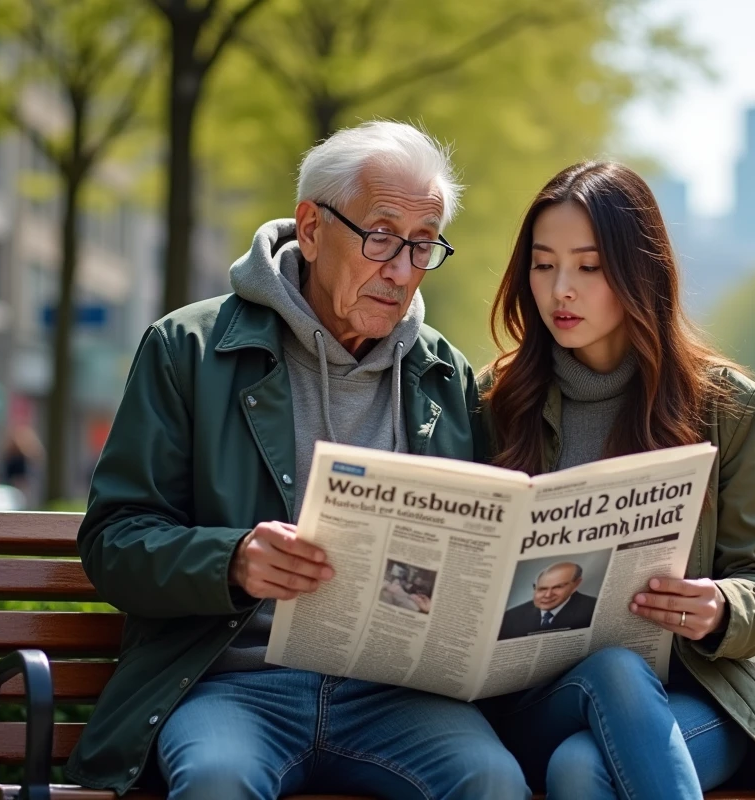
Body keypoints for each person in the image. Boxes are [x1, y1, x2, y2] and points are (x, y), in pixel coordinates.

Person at [67, 121, 529, 800]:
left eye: (423, 246)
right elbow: (113, 543)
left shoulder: (443, 376)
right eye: (380, 236)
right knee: (217, 782)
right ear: (311, 229)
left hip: (396, 696)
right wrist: (232, 560)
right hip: (231, 683)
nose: (400, 270)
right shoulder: (188, 349)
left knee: (492, 783)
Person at [477, 162, 755, 800]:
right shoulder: (497, 402)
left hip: (692, 696)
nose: (561, 291)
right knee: (611, 672)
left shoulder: (725, 407)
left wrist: (720, 607)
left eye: (589, 266)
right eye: (543, 264)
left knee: (582, 770)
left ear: (640, 271)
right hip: (534, 702)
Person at [498, 562, 597, 639]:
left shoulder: (594, 608)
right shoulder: (510, 617)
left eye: (558, 587)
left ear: (576, 584)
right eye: (542, 589)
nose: (548, 595)